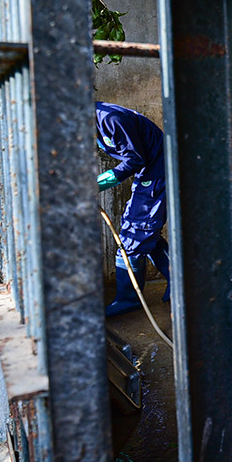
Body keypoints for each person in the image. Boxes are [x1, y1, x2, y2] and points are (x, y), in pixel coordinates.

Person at [96, 102, 172, 317]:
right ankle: (180, 285)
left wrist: (100, 183)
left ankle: (128, 299)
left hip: (158, 174)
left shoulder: (111, 119)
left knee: (133, 238)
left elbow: (135, 158)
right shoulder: (95, 120)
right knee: (147, 234)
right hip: (150, 174)